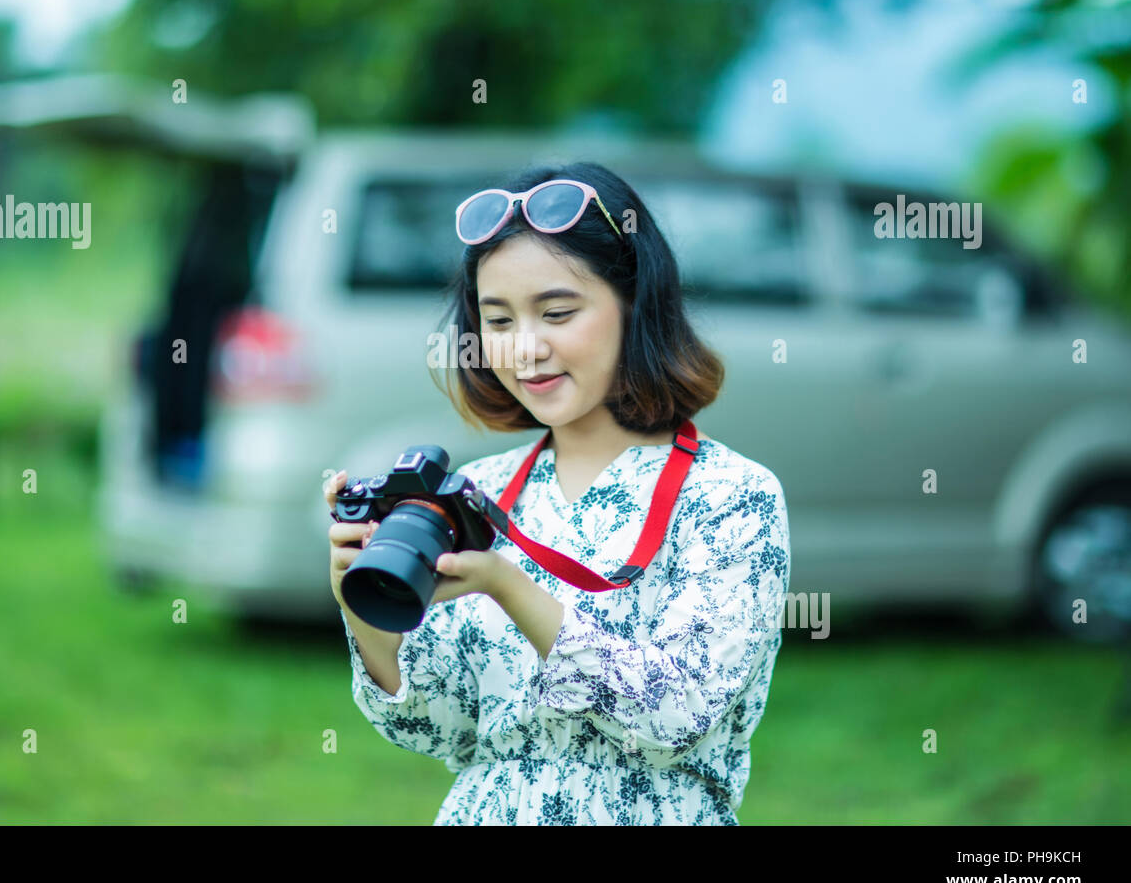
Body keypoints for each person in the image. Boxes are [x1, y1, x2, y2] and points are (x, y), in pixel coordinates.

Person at [323, 161, 791, 825]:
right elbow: (444, 733)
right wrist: (367, 615)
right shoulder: (478, 495)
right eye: (500, 320)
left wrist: (509, 587)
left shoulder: (731, 496)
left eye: (558, 312)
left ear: (635, 304)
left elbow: (677, 716)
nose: (525, 349)